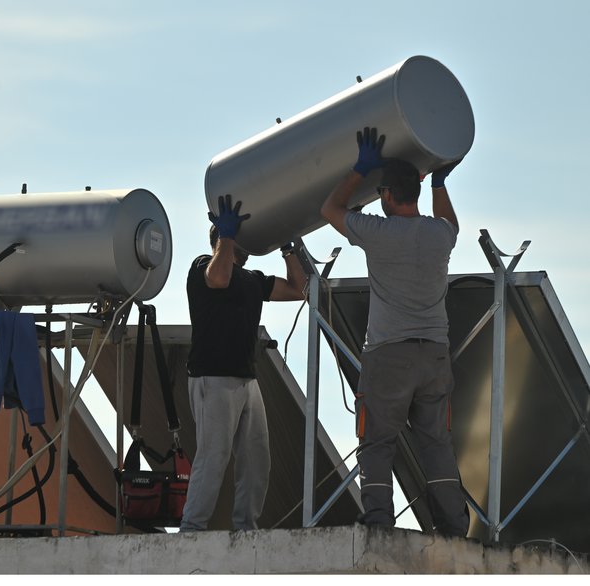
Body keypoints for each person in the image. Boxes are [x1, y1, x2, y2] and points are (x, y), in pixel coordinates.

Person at [320, 126, 469, 537]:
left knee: (378, 442)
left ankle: (380, 525)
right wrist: (439, 181)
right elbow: (450, 222)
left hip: (389, 355)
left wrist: (357, 171)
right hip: (434, 354)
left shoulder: (378, 232)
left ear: (386, 194)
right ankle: (454, 527)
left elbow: (330, 210)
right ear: (417, 191)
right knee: (435, 443)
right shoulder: (439, 236)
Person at [180, 194, 306, 532]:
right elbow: (219, 278)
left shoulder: (253, 280)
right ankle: (192, 528)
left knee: (256, 460)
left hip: (245, 380)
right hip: (213, 378)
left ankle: (246, 529)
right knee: (214, 456)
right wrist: (226, 236)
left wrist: (287, 248)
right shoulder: (202, 266)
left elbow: (299, 289)